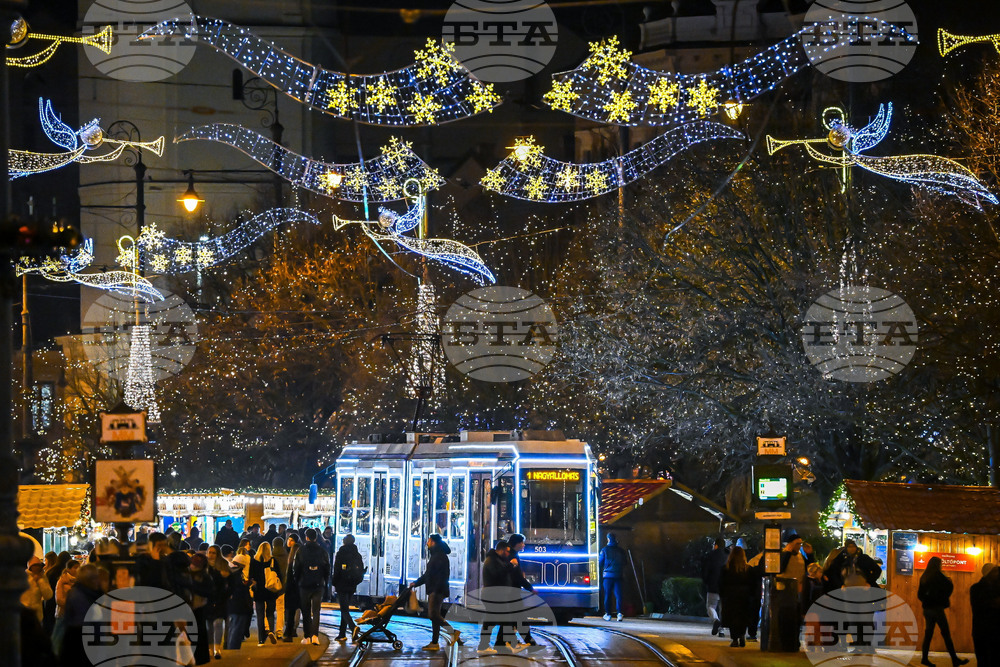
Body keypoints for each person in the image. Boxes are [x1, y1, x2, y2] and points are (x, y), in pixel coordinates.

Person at [917, 556, 969, 667]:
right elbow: (949, 586)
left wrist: (927, 601)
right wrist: (943, 598)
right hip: (937, 609)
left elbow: (919, 595)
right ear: (938, 565)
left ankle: (924, 658)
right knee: (946, 634)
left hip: (927, 609)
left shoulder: (924, 576)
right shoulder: (939, 576)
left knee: (928, 634)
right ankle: (954, 660)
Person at [410, 533, 458, 651]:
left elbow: (431, 575)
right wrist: (416, 583)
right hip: (436, 589)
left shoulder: (438, 556)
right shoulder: (438, 555)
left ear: (433, 542)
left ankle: (453, 632)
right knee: (435, 617)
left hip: (437, 590)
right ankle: (435, 642)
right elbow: (429, 575)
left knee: (433, 615)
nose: (427, 543)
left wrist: (432, 588)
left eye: (429, 541)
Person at [477, 539, 521, 655]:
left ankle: (501, 644)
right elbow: (499, 574)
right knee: (497, 621)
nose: (508, 553)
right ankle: (508, 644)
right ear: (500, 550)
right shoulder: (492, 560)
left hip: (497, 595)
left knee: (499, 621)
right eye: (506, 551)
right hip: (493, 595)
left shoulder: (497, 560)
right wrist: (511, 565)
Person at [61, 564, 104, 667]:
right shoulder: (80, 596)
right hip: (81, 646)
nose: (98, 581)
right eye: (95, 578)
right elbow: (83, 624)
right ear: (89, 580)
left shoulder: (85, 593)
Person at [293, 527, 329, 646]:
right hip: (319, 584)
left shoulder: (301, 550)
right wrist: (325, 582)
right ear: (316, 537)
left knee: (306, 610)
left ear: (306, 537)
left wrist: (297, 581)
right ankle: (315, 636)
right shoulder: (322, 551)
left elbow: (296, 568)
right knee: (316, 611)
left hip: (304, 584)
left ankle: (307, 636)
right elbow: (327, 568)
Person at [720, 546, 759, 647]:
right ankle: (742, 635)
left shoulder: (726, 568)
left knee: (733, 618)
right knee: (743, 617)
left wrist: (722, 595)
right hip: (744, 597)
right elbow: (754, 584)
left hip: (730, 596)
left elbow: (721, 583)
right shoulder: (748, 569)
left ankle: (734, 639)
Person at [332, 534, 365, 642]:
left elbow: (337, 569)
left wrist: (333, 582)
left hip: (341, 584)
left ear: (345, 542)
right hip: (352, 585)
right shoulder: (357, 554)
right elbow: (361, 570)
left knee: (344, 609)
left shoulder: (341, 553)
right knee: (344, 609)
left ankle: (352, 627)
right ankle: (342, 634)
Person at [506, 533, 536, 646]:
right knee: (519, 617)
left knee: (512, 618)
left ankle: (507, 641)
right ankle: (530, 642)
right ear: (517, 544)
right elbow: (517, 576)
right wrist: (530, 588)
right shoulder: (512, 557)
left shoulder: (512, 554)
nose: (524, 545)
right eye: (522, 542)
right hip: (512, 591)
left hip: (511, 591)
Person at [249, 541, 280, 645]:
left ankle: (261, 639)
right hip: (270, 590)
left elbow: (250, 576)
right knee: (270, 613)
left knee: (260, 615)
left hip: (259, 591)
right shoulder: (272, 560)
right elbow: (279, 574)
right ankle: (271, 631)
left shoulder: (254, 561)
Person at [188, 552, 216, 664]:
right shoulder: (188, 574)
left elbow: (209, 592)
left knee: (199, 632)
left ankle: (199, 657)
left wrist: (192, 585)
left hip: (199, 607)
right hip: (193, 606)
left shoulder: (204, 576)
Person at [970, 562, 1000, 667]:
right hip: (985, 630)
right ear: (989, 573)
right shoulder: (977, 589)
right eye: (995, 571)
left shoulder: (976, 588)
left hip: (982, 630)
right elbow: (979, 607)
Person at [205, 545, 230, 660]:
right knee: (209, 626)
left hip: (220, 599)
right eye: (209, 552)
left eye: (213, 553)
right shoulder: (204, 566)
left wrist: (227, 594)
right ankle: (210, 648)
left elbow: (230, 582)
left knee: (218, 623)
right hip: (207, 599)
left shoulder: (223, 565)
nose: (211, 555)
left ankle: (217, 648)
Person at [225, 554, 253, 650]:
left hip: (233, 604)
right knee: (237, 626)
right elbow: (239, 589)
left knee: (233, 625)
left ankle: (230, 646)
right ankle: (233, 648)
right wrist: (248, 584)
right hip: (239, 604)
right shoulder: (237, 574)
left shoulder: (230, 572)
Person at [52, 559, 80, 656]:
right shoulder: (62, 581)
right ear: (68, 569)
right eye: (75, 568)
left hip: (74, 615)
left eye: (78, 567)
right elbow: (59, 599)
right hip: (63, 614)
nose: (78, 570)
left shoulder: (79, 582)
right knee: (58, 638)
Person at [701, 537, 728, 636]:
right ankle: (722, 631)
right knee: (723, 609)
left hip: (713, 586)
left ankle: (716, 620)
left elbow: (705, 571)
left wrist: (706, 582)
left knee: (710, 607)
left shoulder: (710, 555)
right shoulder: (728, 556)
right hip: (725, 587)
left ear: (716, 545)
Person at [282, 532, 302, 642]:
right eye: (288, 540)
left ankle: (290, 630)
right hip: (296, 587)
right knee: (294, 609)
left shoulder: (292, 558)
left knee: (291, 609)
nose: (289, 542)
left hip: (292, 587)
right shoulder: (287, 553)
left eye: (292, 540)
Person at [21, 556, 53, 624]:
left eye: (38, 565)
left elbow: (48, 595)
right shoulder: (23, 577)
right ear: (30, 567)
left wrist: (40, 581)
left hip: (37, 617)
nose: (36, 568)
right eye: (34, 565)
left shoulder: (42, 577)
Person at [272, 537, 289, 639]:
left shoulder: (271, 556)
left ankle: (268, 629)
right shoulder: (286, 556)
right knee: (280, 609)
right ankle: (279, 631)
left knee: (268, 610)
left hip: (271, 586)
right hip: (282, 586)